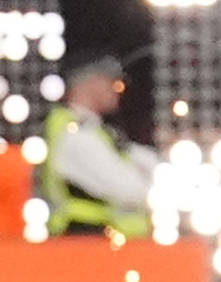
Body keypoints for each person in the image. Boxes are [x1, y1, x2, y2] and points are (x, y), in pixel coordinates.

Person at [43, 55, 154, 240]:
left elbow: (145, 160)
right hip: (86, 242)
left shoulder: (97, 131)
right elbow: (127, 188)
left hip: (103, 242)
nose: (118, 90)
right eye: (113, 83)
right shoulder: (75, 134)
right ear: (92, 82)